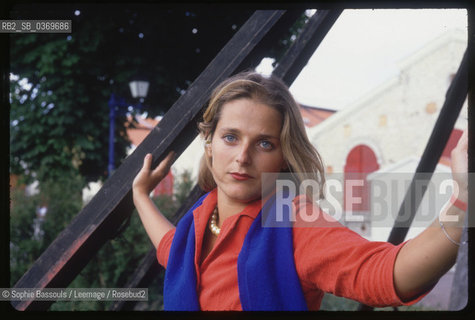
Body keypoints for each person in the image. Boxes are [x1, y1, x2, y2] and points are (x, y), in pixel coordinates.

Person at [132, 71, 468, 311]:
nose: (243, 157)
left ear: (283, 157)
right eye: (230, 137)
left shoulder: (293, 222)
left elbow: (385, 273)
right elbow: (170, 248)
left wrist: (463, 205)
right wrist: (141, 196)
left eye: (264, 143)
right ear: (209, 145)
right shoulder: (199, 220)